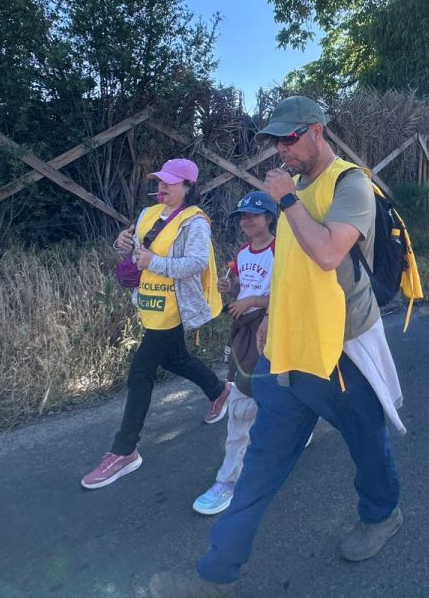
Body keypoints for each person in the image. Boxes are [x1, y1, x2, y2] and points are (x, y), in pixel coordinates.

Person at [160, 97, 405, 597]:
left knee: (366, 439)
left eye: (289, 139)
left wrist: (288, 200)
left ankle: (382, 515)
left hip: (339, 349)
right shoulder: (292, 188)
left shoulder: (349, 183)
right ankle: (216, 572)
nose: (281, 150)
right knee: (261, 462)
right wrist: (272, 316)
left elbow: (327, 252)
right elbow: (291, 270)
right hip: (288, 349)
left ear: (317, 131)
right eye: (275, 141)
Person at [82, 159, 230, 490]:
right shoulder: (148, 214)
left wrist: (155, 262)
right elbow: (138, 251)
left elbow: (196, 263)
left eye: (170, 182)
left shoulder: (194, 222)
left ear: (188, 187)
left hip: (175, 307)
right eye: (160, 181)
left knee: (141, 370)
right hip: (150, 302)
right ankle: (218, 390)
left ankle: (124, 450)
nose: (162, 186)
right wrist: (122, 243)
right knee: (174, 358)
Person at [192, 190, 278, 516]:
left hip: (271, 329)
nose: (246, 221)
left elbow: (288, 295)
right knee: (251, 395)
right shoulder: (242, 253)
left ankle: (228, 481)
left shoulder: (282, 251)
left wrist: (252, 302)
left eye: (253, 215)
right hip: (244, 332)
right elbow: (247, 289)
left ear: (269, 217)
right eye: (242, 216)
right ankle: (231, 475)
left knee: (244, 403)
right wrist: (233, 290)